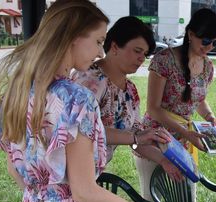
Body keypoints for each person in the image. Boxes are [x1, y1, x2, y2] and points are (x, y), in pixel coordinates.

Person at [0, 1, 198, 202]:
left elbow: (14, 168)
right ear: (72, 36)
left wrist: (46, 199)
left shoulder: (18, 89)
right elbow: (84, 192)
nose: (100, 52)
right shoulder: (78, 98)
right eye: (98, 41)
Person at [135, 8, 216, 202]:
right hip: (154, 138)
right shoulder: (164, 60)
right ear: (191, 34)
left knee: (185, 198)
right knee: (151, 201)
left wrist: (210, 116)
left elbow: (199, 99)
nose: (209, 47)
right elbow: (153, 108)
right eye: (205, 41)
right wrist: (185, 132)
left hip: (185, 140)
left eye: (215, 42)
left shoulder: (208, 66)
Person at [72, 16, 182, 180]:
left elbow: (136, 139)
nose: (142, 58)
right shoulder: (90, 80)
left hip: (92, 174)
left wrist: (163, 159)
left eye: (145, 54)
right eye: (137, 51)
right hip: (69, 174)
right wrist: (136, 137)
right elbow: (82, 130)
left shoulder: (130, 90)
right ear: (115, 47)